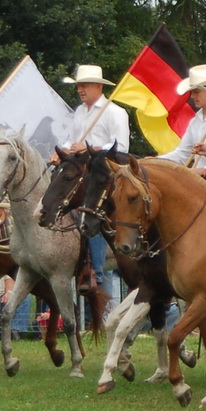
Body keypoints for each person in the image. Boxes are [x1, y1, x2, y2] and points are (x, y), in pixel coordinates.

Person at [60, 64, 131, 311]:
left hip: (105, 176)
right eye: (79, 85)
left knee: (92, 211)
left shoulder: (115, 112)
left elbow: (120, 147)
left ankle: (96, 271)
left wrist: (91, 149)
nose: (80, 89)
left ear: (99, 87)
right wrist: (65, 149)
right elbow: (71, 138)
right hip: (83, 172)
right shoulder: (79, 112)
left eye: (85, 85)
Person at [159, 65, 206, 167]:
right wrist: (153, 161)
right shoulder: (195, 121)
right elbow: (182, 154)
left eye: (197, 92)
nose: (192, 96)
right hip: (199, 179)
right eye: (192, 92)